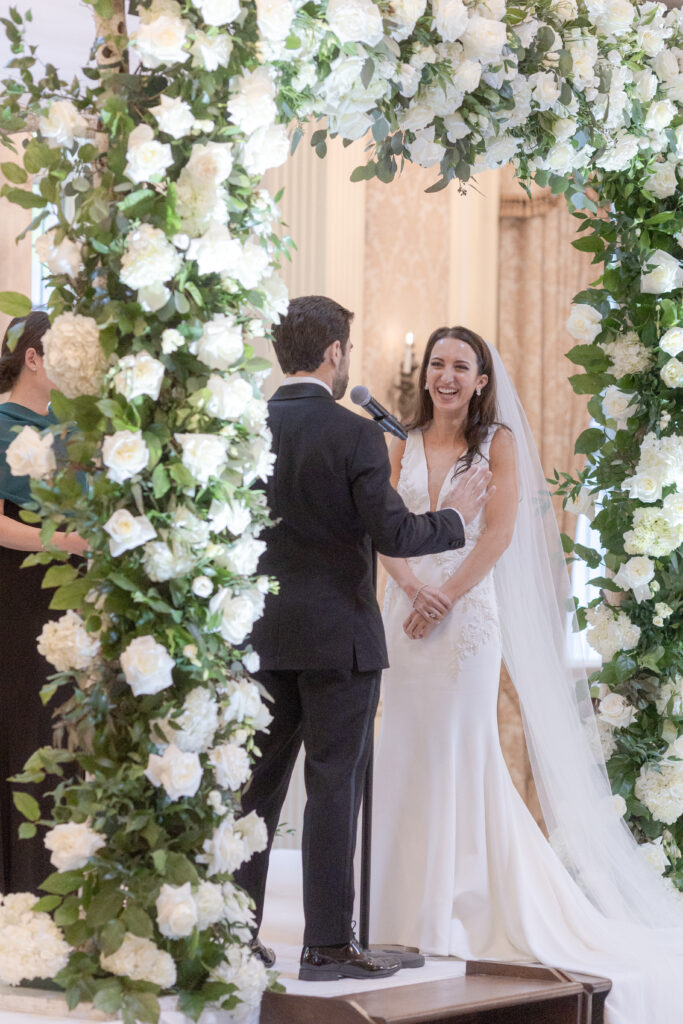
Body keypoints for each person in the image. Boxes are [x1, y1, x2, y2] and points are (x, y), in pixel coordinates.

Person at [370, 326, 683, 1024]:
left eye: (461, 366)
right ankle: (395, 911)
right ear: (424, 375)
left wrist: (444, 596)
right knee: (403, 750)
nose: (446, 375)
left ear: (481, 380)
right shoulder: (402, 441)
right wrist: (412, 585)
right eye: (437, 364)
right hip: (404, 614)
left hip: (465, 621)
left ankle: (457, 908)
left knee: (460, 750)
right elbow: (380, 527)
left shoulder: (496, 443)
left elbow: (498, 533)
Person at [235, 296, 493, 981]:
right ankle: (324, 946)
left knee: (254, 793)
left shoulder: (244, 427)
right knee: (332, 787)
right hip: (338, 642)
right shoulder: (351, 433)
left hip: (259, 637)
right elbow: (394, 532)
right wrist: (451, 517)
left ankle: (233, 936)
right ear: (333, 355)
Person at [0, 312, 87, 895]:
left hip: (68, 593)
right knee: (23, 728)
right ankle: (21, 887)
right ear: (34, 357)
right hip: (17, 590)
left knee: (64, 730)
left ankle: (57, 886)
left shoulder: (70, 428)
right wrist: (65, 541)